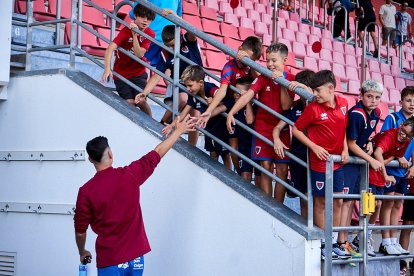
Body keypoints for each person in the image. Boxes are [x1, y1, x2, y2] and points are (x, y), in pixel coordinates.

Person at [74, 115, 196, 275]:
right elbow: (157, 153)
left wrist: (82, 251)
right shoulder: (130, 175)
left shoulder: (86, 191)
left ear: (90, 160)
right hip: (136, 258)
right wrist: (178, 131)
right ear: (110, 154)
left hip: (110, 259)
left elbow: (80, 231)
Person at [226, 43, 295, 203]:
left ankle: (279, 209)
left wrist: (283, 83)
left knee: (283, 170)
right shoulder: (263, 77)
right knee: (266, 167)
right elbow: (248, 95)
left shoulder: (291, 79)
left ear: (284, 60)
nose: (270, 64)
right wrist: (232, 112)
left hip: (282, 130)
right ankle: (269, 207)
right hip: (262, 129)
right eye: (267, 61)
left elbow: (286, 106)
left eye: (274, 61)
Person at [292, 70, 349, 259]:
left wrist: (345, 149)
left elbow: (343, 129)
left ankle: (332, 242)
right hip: (319, 163)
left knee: (338, 201)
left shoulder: (344, 104)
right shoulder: (313, 109)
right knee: (321, 202)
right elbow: (296, 130)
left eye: (318, 90)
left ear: (331, 88)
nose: (314, 94)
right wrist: (314, 147)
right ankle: (323, 244)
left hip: (338, 162)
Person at [197, 36, 262, 170]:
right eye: (245, 59)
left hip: (251, 110)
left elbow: (260, 81)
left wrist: (251, 64)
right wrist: (209, 112)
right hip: (232, 106)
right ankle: (238, 175)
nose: (245, 63)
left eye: (250, 61)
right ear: (240, 50)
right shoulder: (229, 67)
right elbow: (222, 91)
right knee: (231, 148)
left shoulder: (251, 68)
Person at [338, 80, 384, 258]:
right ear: (361, 96)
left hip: (358, 162)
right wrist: (370, 160)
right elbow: (350, 144)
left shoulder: (376, 113)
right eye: (369, 96)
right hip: (348, 161)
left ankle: (345, 240)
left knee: (351, 202)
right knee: (344, 201)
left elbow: (366, 137)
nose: (373, 100)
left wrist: (371, 143)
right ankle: (340, 241)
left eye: (377, 97)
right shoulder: (357, 114)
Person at [135, 25, 203, 145]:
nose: (171, 48)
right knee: (182, 99)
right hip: (180, 82)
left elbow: (194, 31)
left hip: (197, 83)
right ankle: (162, 123)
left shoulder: (188, 41)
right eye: (168, 46)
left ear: (181, 39)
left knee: (195, 116)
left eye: (173, 45)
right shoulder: (164, 53)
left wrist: (177, 18)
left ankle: (192, 148)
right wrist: (144, 93)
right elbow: (156, 76)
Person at [162, 65, 232, 169]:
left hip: (220, 125)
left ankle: (229, 178)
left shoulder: (210, 88)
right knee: (212, 153)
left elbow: (226, 99)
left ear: (200, 82)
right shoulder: (193, 94)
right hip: (208, 125)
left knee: (225, 155)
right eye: (186, 86)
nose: (188, 89)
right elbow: (183, 113)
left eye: (190, 85)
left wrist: (215, 102)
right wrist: (171, 125)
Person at [368, 117, 414, 257]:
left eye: (407, 135)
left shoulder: (405, 141)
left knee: (378, 205)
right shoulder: (389, 135)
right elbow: (377, 153)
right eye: (402, 131)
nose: (403, 135)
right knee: (370, 206)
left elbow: (389, 157)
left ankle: (368, 237)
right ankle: (362, 239)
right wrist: (386, 175)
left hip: (378, 177)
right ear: (401, 124)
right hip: (369, 174)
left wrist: (392, 158)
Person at [273, 69, 315, 218]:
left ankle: (319, 234)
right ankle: (306, 230)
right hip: (298, 158)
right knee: (304, 199)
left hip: (316, 157)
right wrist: (276, 139)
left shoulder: (318, 105)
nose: (303, 96)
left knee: (317, 200)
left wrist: (303, 88)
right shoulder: (296, 107)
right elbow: (278, 127)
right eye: (300, 91)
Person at [378, 86, 414, 256]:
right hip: (389, 168)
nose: (412, 104)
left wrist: (412, 166)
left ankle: (393, 240)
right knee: (388, 203)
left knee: (397, 205)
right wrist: (396, 157)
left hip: (403, 172)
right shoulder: (393, 118)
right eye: (408, 100)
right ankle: (385, 241)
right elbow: (384, 143)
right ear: (400, 102)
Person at [101, 4, 155, 115]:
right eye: (142, 17)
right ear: (135, 16)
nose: (145, 21)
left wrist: (135, 36)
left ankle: (152, 123)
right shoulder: (125, 31)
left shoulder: (150, 33)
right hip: (121, 74)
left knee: (140, 101)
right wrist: (107, 69)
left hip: (138, 74)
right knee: (129, 102)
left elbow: (139, 54)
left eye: (149, 19)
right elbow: (110, 48)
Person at [224, 77, 258, 182]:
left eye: (238, 92)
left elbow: (249, 120)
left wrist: (247, 100)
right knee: (245, 177)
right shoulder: (233, 106)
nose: (235, 94)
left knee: (260, 180)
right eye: (234, 91)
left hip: (257, 146)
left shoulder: (256, 104)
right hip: (244, 149)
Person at [129, 0, 182, 66]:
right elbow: (179, 16)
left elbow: (133, 14)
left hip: (151, 38)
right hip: (169, 40)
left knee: (135, 66)